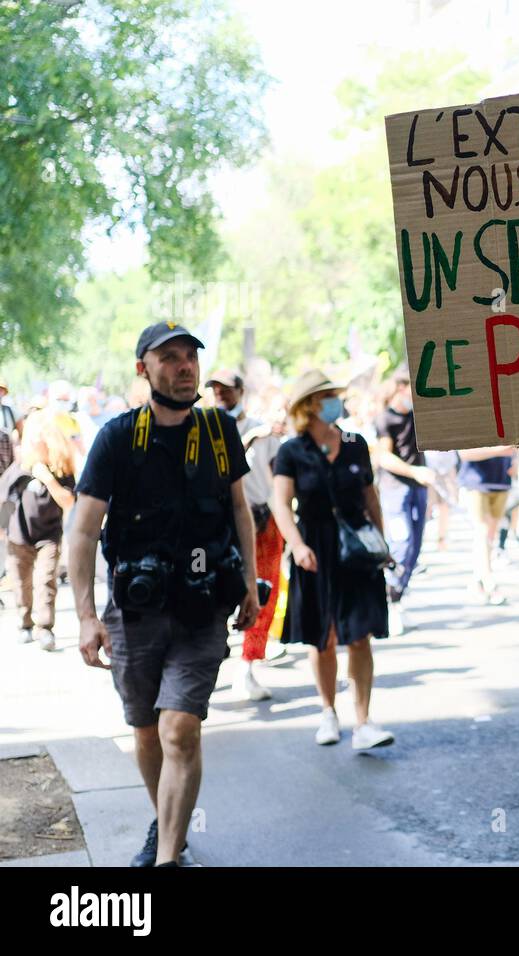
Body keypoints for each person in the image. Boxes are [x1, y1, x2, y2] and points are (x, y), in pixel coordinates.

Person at [67, 322, 262, 867]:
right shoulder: (118, 438)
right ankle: (167, 822)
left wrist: (248, 579)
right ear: (143, 369)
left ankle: (168, 858)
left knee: (180, 728)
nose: (184, 367)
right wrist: (86, 616)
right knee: (148, 731)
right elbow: (82, 530)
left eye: (190, 358)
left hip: (203, 605)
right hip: (136, 610)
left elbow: (239, 508)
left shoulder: (220, 429)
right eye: (169, 358)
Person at [271, 369, 394, 750]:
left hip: (356, 548)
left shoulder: (356, 443)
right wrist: (297, 544)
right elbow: (280, 504)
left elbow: (370, 496)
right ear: (309, 406)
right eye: (325, 396)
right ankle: (328, 712)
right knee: (322, 637)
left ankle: (364, 722)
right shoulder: (292, 450)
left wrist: (382, 542)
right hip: (316, 549)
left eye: (334, 395)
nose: (333, 402)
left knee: (360, 636)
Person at [206, 368, 283, 701]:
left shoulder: (261, 430)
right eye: (215, 389)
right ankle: (209, 661)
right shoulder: (205, 429)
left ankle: (248, 666)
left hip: (262, 519)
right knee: (216, 592)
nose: (221, 394)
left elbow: (278, 477)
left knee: (264, 590)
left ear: (240, 391)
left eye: (226, 389)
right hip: (220, 524)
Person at [1, 409, 77, 650]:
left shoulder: (60, 470)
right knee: (20, 583)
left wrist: (48, 479)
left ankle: (45, 627)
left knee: (46, 581)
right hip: (18, 536)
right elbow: (6, 499)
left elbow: (69, 502)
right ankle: (25, 623)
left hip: (49, 535)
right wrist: (2, 527)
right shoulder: (19, 468)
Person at [372, 369, 434, 632]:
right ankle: (390, 599)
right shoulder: (385, 419)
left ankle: (398, 597)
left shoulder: (417, 416)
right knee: (402, 543)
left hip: (418, 489)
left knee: (415, 546)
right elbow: (384, 457)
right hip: (396, 489)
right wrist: (413, 472)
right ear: (400, 388)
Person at [458, 446, 514, 605]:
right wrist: (500, 450)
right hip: (475, 482)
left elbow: (515, 444)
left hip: (502, 480)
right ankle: (489, 581)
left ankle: (477, 581)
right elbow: (464, 453)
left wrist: (516, 460)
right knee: (481, 531)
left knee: (490, 535)